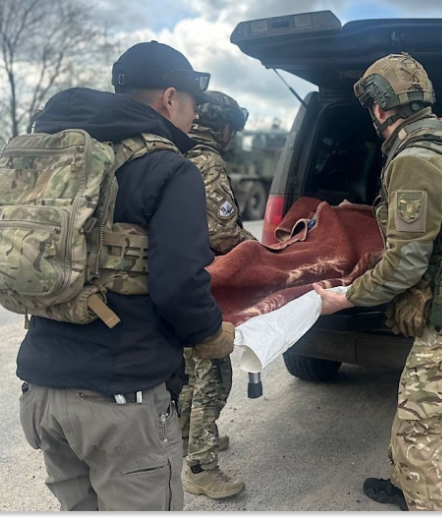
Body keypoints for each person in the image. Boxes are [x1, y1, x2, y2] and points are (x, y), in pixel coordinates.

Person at [16, 41, 235, 511]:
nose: (195, 114)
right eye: (192, 102)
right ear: (170, 98)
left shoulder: (64, 158)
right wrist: (211, 335)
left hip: (40, 390)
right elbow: (178, 285)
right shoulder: (169, 167)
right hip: (119, 401)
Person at [314, 53, 442, 512]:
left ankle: (426, 500)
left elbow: (405, 265)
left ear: (380, 107)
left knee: (421, 435)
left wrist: (345, 297)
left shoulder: (414, 160)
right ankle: (402, 488)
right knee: (418, 409)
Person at [179, 90, 253, 499]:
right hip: (201, 287)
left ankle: (187, 440)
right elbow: (224, 235)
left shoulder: (171, 152)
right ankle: (201, 467)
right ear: (224, 129)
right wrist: (262, 254)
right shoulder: (206, 161)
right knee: (214, 374)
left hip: (173, 286)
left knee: (190, 371)